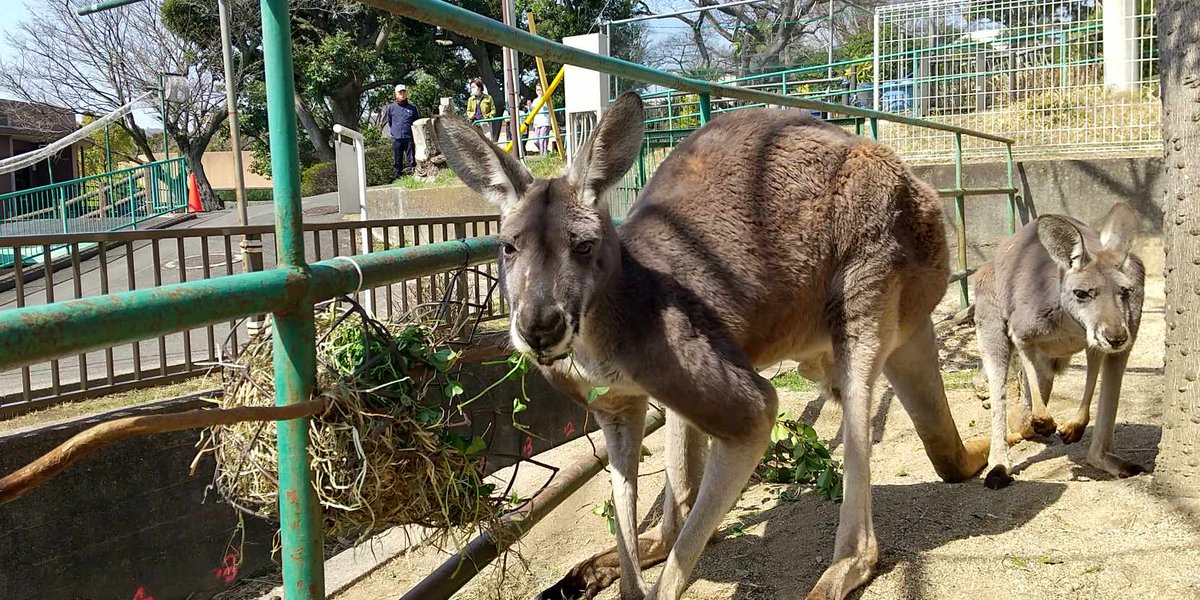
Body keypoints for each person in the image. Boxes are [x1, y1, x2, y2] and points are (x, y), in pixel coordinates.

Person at [385, 84, 419, 179]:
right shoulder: (391, 108)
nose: (402, 94)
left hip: (409, 138)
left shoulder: (412, 108)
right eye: (400, 92)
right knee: (397, 161)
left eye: (404, 92)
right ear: (396, 94)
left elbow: (416, 123)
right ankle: (397, 178)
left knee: (412, 160)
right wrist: (395, 132)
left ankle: (413, 177)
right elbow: (390, 122)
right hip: (396, 138)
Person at [531, 83, 553, 154]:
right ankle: (544, 152)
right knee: (536, 140)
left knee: (542, 140)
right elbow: (532, 110)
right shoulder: (535, 101)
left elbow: (546, 108)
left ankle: (543, 155)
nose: (539, 92)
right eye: (537, 90)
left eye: (540, 90)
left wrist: (542, 99)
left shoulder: (547, 99)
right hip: (537, 123)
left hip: (545, 122)